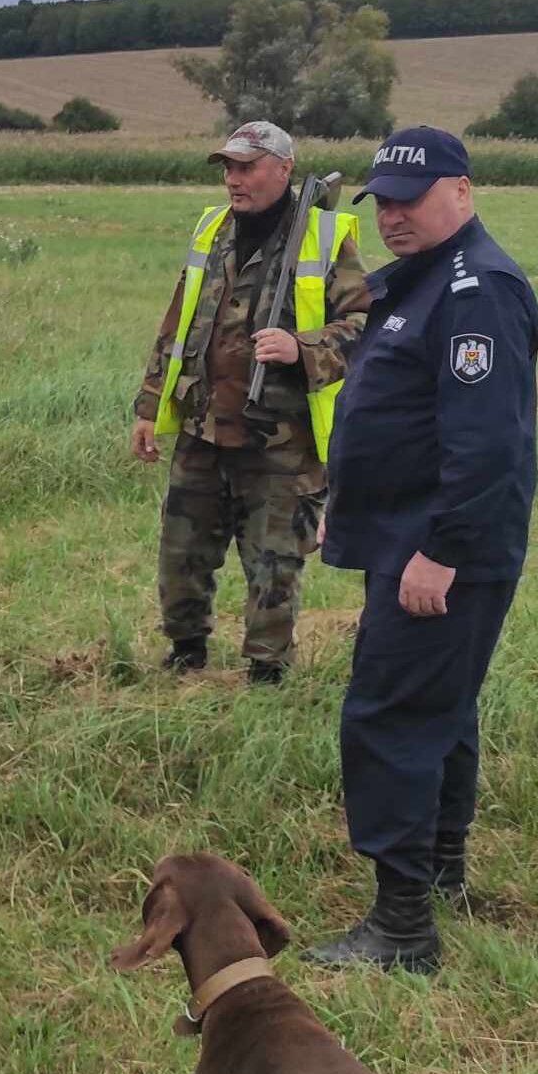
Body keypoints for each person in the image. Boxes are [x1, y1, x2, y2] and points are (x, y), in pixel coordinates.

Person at [304, 126, 538, 973]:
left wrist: (441, 550)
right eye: (385, 202)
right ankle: (440, 876)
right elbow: (395, 415)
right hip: (405, 535)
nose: (394, 216)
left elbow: (485, 446)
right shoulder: (425, 280)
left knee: (392, 717)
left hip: (439, 549)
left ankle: (402, 928)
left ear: (463, 191)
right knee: (440, 709)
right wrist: (351, 507)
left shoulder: (476, 291)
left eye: (412, 198)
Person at [129, 121, 369, 684]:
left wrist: (301, 346)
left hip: (281, 438)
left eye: (246, 167)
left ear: (283, 170)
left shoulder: (325, 236)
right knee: (181, 551)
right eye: (228, 168)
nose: (233, 180)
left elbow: (367, 325)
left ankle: (267, 670)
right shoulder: (213, 228)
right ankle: (186, 651)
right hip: (202, 428)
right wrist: (148, 407)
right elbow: (177, 322)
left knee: (274, 561)